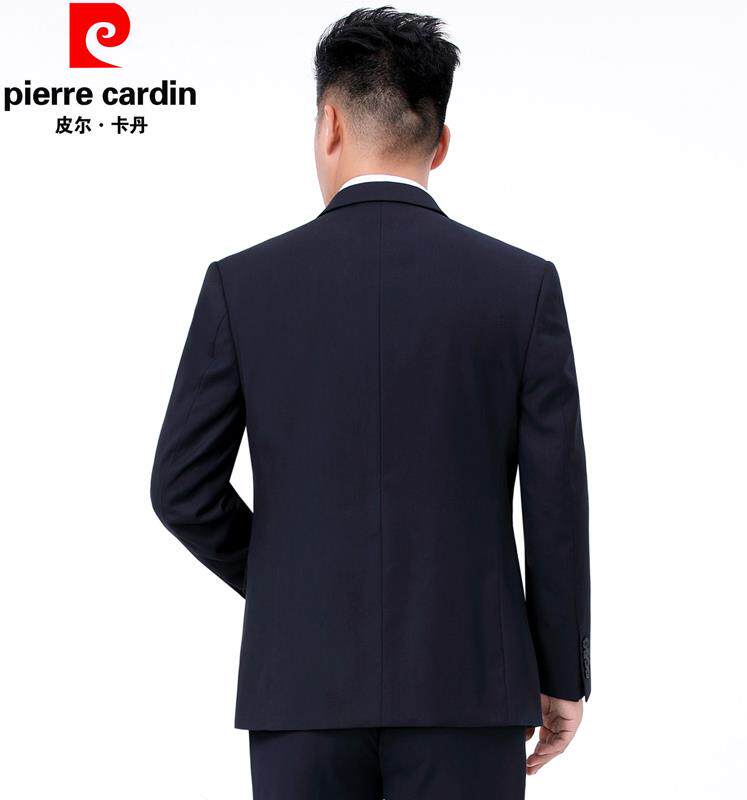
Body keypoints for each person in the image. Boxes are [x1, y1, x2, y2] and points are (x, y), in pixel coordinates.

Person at [150, 7, 590, 799]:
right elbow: (555, 504)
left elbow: (181, 489)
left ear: (328, 124)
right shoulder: (521, 287)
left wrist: (293, 586)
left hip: (301, 691)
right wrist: (561, 673)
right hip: (471, 689)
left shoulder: (243, 286)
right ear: (440, 143)